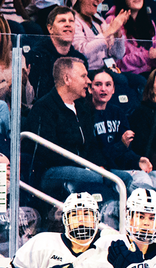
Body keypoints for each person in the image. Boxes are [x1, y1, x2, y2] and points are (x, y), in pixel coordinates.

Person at [25, 57, 103, 195]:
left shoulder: (83, 107)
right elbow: (47, 153)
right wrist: (86, 167)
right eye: (83, 76)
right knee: (97, 179)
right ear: (67, 79)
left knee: (122, 178)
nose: (89, 81)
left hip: (83, 167)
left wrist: (99, 165)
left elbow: (92, 145)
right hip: (51, 171)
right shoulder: (43, 108)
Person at [26, 6, 86, 99]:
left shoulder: (80, 59)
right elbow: (39, 95)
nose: (68, 24)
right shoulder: (37, 55)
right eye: (62, 21)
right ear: (50, 29)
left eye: (71, 21)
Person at [71, 0, 126, 71]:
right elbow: (81, 53)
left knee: (139, 80)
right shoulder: (73, 20)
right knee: (122, 81)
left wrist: (117, 33)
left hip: (106, 69)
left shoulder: (98, 19)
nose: (99, 1)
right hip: (88, 70)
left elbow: (118, 54)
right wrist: (107, 33)